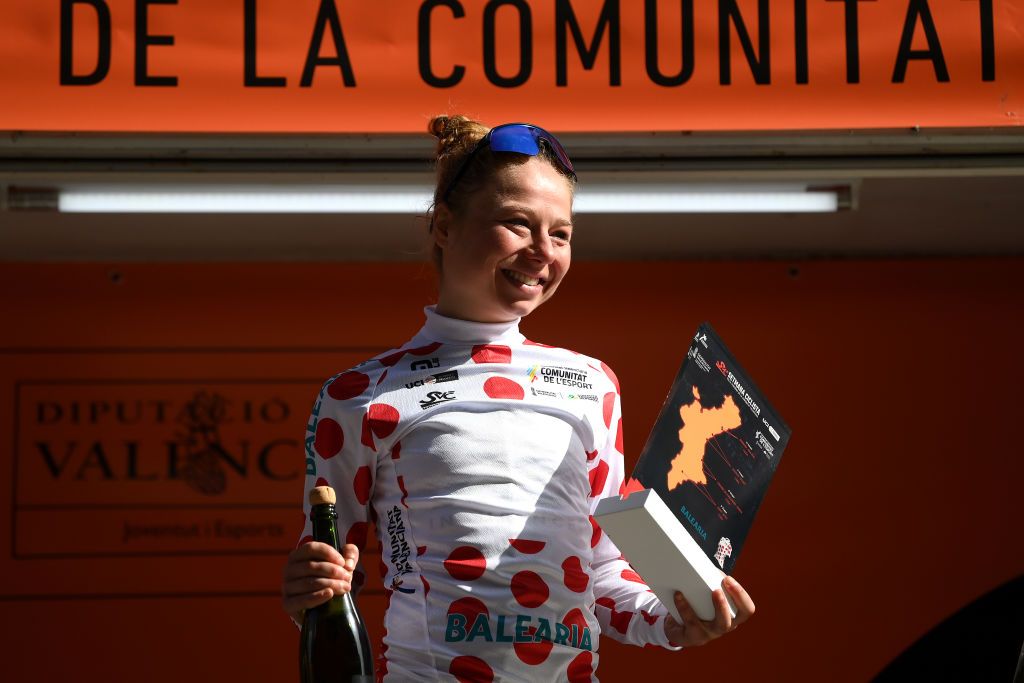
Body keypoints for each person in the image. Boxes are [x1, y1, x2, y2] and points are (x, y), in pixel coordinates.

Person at [281, 116, 755, 681]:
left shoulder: (592, 384)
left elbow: (601, 572)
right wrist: (306, 591)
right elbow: (332, 590)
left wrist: (672, 621)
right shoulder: (359, 395)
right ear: (444, 226)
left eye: (561, 233)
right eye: (516, 223)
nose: (541, 251)